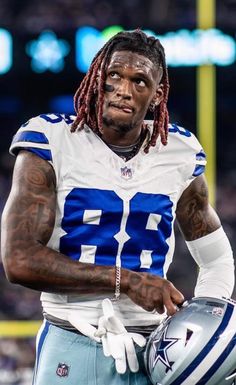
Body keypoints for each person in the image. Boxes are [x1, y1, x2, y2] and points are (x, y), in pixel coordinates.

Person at [1, 29, 234, 385]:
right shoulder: (50, 141)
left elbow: (216, 258)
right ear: (97, 78)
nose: (124, 90)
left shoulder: (179, 151)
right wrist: (125, 282)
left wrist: (197, 330)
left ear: (157, 95)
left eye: (139, 81)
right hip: (71, 340)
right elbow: (18, 259)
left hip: (154, 353)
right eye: (114, 76)